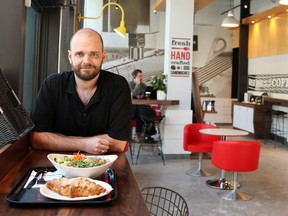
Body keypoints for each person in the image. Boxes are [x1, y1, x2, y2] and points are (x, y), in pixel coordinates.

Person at [30, 28, 132, 154]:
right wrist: (84, 144)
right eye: (79, 54)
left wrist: (58, 140)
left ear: (103, 56)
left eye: (93, 54)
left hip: (103, 166)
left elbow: (118, 143)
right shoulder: (52, 85)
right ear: (70, 56)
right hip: (57, 167)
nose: (86, 61)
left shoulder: (118, 86)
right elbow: (36, 138)